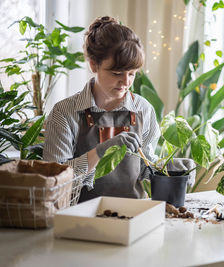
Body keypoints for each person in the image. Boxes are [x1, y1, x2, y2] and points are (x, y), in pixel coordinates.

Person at [43, 16, 194, 202]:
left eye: (132, 74)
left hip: (134, 215)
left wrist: (173, 166)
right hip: (80, 218)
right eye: (116, 73)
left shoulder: (143, 109)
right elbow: (53, 182)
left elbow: (145, 166)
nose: (126, 82)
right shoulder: (65, 113)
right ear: (93, 65)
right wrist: (100, 152)